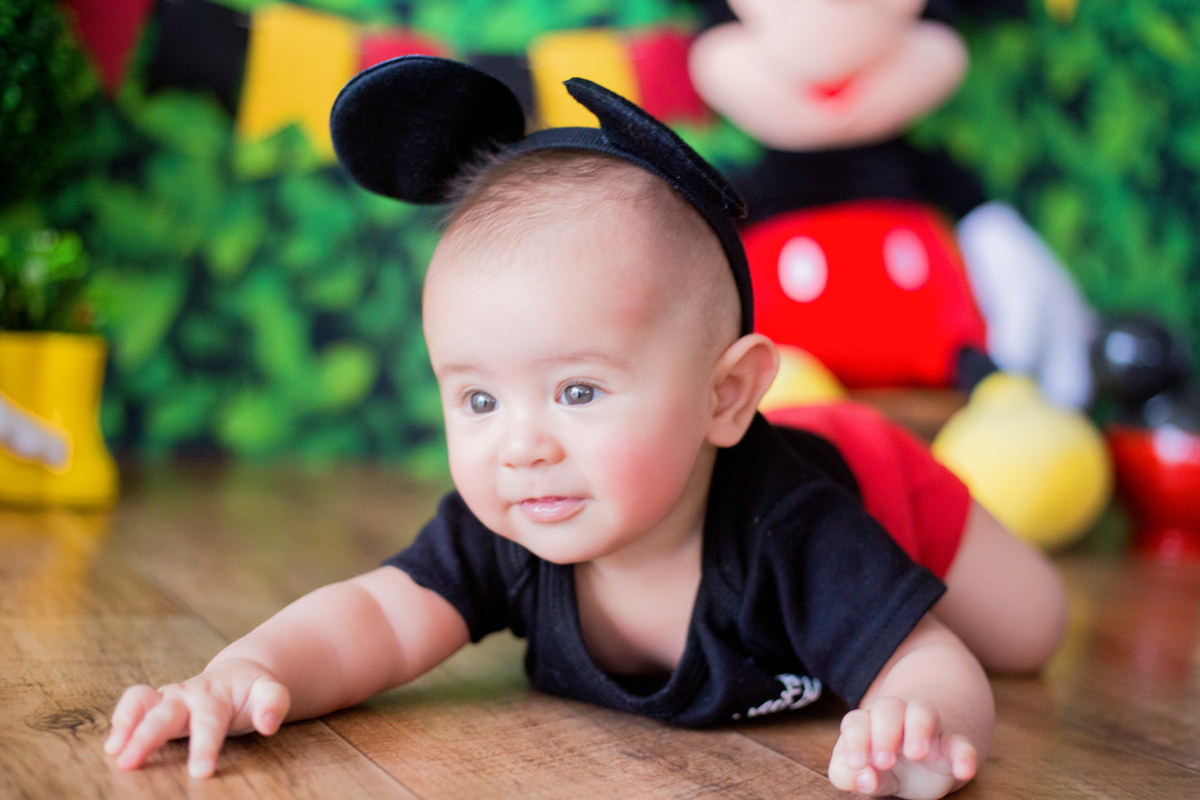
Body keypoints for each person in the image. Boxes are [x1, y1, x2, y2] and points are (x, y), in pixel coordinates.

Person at [106, 58, 1066, 798]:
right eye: (478, 401)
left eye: (576, 392)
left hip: (877, 477)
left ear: (724, 397)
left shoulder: (794, 528)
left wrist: (917, 718)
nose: (521, 444)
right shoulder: (512, 523)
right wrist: (244, 674)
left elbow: (931, 662)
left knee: (1026, 633)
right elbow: (379, 617)